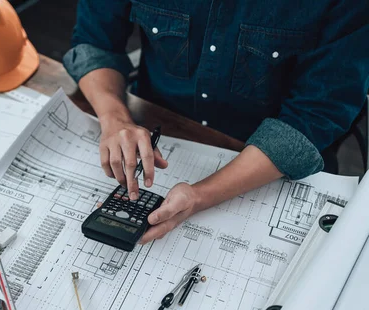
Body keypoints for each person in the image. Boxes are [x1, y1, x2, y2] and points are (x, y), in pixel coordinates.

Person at [62, 0, 369, 245]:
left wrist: (199, 196)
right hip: (157, 125)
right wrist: (115, 119)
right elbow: (94, 43)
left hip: (264, 160)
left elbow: (315, 115)